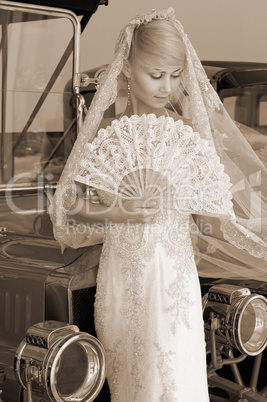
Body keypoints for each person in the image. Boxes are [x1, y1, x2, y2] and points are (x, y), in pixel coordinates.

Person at [49, 8, 267, 401]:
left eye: (176, 75)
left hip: (174, 285)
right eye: (156, 75)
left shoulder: (187, 133)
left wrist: (231, 217)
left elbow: (209, 221)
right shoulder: (105, 132)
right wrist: (117, 211)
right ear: (128, 68)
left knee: (176, 381)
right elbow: (69, 203)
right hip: (120, 283)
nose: (168, 87)